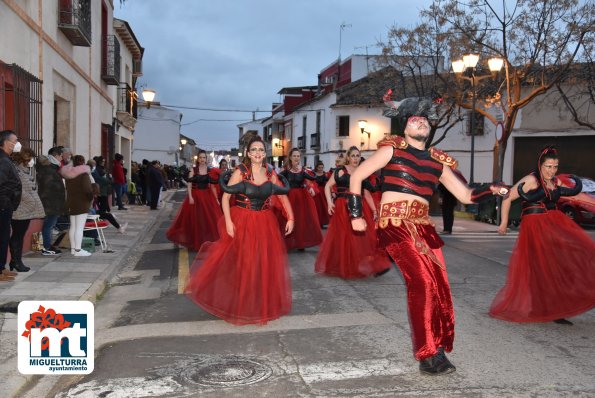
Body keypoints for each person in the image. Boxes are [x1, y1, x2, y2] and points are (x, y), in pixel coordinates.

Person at [347, 101, 508, 375]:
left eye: (424, 120)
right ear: (405, 125)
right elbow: (358, 176)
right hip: (395, 224)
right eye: (414, 120)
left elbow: (465, 195)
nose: (420, 122)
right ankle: (426, 354)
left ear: (430, 127)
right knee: (420, 282)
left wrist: (491, 189)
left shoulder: (438, 161)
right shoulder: (391, 149)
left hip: (423, 228)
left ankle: (436, 346)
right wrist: (355, 214)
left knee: (438, 285)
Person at [186, 136, 295, 325]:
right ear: (248, 153)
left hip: (265, 222)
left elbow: (282, 196)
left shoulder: (270, 173)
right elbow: (226, 198)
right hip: (242, 219)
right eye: (254, 150)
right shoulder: (240, 172)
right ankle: (237, 301)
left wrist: (291, 217)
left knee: (262, 263)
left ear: (265, 152)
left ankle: (257, 302)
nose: (258, 153)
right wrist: (228, 222)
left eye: (261, 149)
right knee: (244, 262)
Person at [491, 146, 595, 325]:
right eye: (548, 166)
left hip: (554, 224)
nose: (552, 170)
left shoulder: (556, 182)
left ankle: (559, 306)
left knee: (567, 261)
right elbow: (507, 197)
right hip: (534, 227)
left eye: (555, 167)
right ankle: (549, 309)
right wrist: (503, 222)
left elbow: (575, 195)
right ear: (540, 165)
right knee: (544, 269)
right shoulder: (531, 180)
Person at [315, 146, 391, 278]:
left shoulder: (362, 172)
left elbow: (366, 193)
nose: (355, 158)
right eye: (353, 155)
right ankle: (344, 265)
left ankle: (375, 265)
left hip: (359, 207)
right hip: (342, 206)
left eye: (357, 155)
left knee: (366, 237)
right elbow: (328, 186)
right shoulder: (340, 171)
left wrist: (374, 210)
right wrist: (329, 202)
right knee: (344, 237)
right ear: (348, 157)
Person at [166, 151, 222, 250]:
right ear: (198, 159)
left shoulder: (209, 170)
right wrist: (190, 196)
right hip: (196, 196)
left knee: (207, 220)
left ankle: (205, 242)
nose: (202, 159)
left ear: (206, 159)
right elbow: (189, 184)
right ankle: (188, 240)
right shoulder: (194, 170)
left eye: (204, 157)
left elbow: (212, 186)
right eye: (200, 157)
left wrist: (216, 199)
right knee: (192, 220)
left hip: (207, 197)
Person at [278, 148, 322, 250]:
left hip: (301, 198)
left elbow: (311, 179)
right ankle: (286, 242)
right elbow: (277, 179)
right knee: (287, 218)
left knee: (300, 220)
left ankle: (300, 242)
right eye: (294, 156)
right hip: (288, 197)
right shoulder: (285, 170)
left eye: (298, 156)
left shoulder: (303, 170)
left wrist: (310, 187)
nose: (297, 158)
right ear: (290, 157)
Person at [9, 148, 45, 272]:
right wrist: (30, 201)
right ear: (24, 158)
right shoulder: (17, 170)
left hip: (26, 208)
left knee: (19, 235)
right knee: (17, 236)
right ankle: (16, 262)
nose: (31, 161)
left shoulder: (24, 170)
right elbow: (18, 189)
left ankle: (16, 261)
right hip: (21, 209)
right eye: (30, 158)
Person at [0, 130, 22, 282]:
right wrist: (6, 201)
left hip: (6, 205)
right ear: (7, 142)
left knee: (4, 236)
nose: (17, 143)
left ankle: (1, 267)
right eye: (15, 140)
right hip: (2, 205)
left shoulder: (6, 159)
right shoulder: (2, 160)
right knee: (1, 237)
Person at [61, 155, 94, 256]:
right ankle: (78, 250)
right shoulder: (84, 175)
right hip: (82, 203)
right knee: (80, 227)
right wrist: (91, 197)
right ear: (83, 162)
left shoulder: (68, 175)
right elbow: (88, 190)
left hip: (71, 202)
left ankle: (73, 249)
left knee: (73, 227)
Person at [36, 147, 66, 255]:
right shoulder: (49, 169)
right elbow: (48, 187)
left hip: (53, 202)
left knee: (50, 225)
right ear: (56, 155)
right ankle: (47, 247)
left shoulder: (50, 168)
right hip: (51, 203)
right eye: (61, 156)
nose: (62, 159)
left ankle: (48, 245)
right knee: (49, 225)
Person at [312, 160, 330, 228]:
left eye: (322, 167)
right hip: (316, 192)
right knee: (317, 207)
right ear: (316, 167)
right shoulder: (313, 174)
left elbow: (328, 184)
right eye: (319, 167)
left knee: (323, 207)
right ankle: (316, 222)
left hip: (323, 192)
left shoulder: (325, 174)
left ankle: (322, 222)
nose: (321, 169)